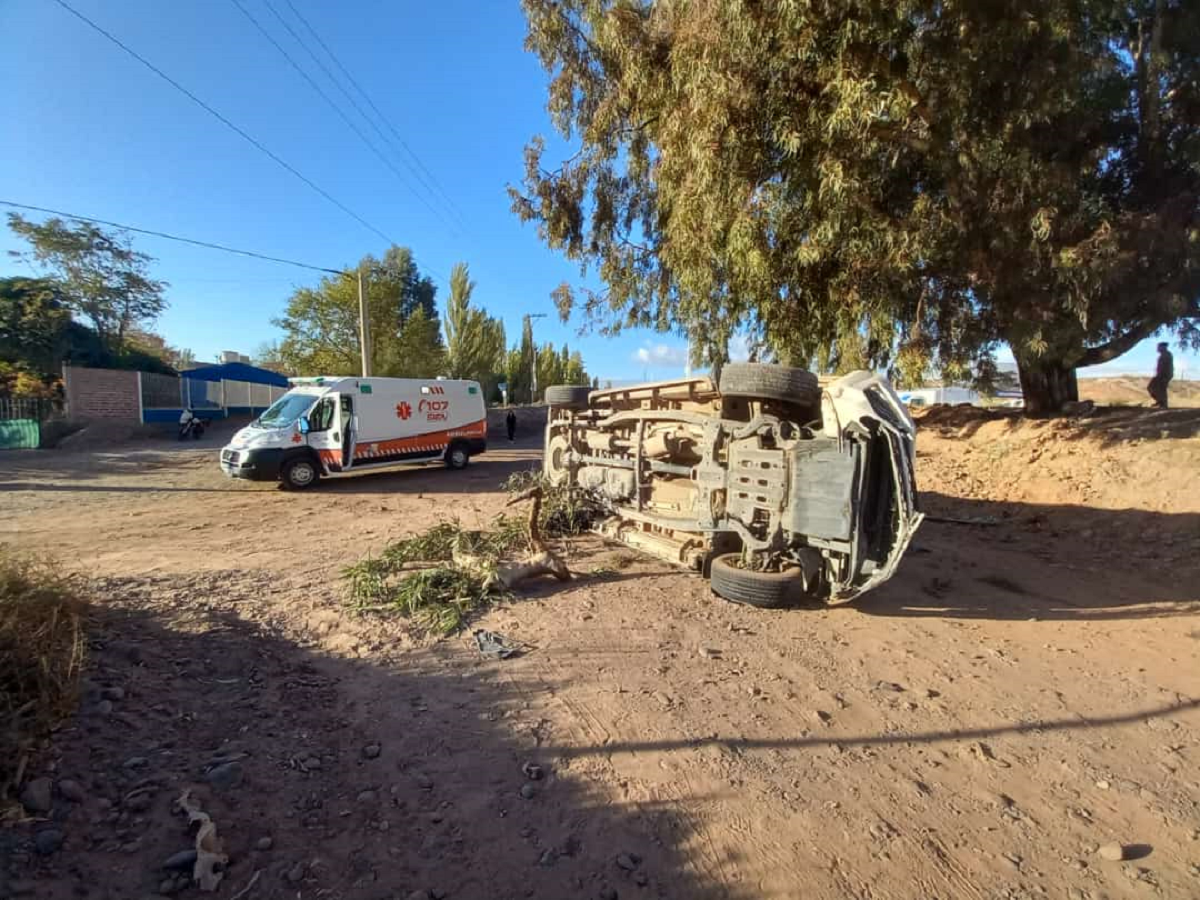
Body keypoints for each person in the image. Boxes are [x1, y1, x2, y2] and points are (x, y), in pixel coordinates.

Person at [1147, 342, 1174, 409]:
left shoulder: (1167, 355)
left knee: (1161, 389)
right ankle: (1160, 401)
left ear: (1163, 347)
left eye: (1158, 347)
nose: (1157, 348)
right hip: (1160, 375)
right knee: (1151, 387)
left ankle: (1163, 404)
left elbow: (1166, 367)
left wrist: (1164, 376)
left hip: (1164, 375)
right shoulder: (1162, 355)